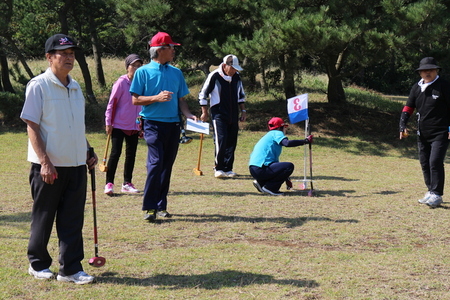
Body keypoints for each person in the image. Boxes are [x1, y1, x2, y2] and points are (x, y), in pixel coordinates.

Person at [20, 34, 97, 284]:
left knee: (72, 219)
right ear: (49, 57)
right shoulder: (38, 85)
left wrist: (87, 149)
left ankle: (71, 269)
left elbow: (76, 126)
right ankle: (38, 264)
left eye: (71, 53)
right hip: (48, 167)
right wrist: (44, 161)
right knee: (44, 216)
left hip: (75, 165)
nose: (68, 58)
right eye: (62, 53)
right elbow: (31, 124)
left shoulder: (75, 87)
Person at [130, 32, 197, 222]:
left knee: (166, 166)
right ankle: (149, 207)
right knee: (156, 163)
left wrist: (189, 115)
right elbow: (135, 99)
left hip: (173, 125)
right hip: (152, 125)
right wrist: (156, 98)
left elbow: (181, 100)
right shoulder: (142, 72)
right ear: (160, 50)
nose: (174, 51)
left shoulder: (177, 73)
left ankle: (161, 206)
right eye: (171, 47)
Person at [399, 57, 450, 208]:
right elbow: (409, 107)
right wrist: (402, 124)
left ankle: (437, 194)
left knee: (435, 161)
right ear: (420, 72)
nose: (427, 72)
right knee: (425, 163)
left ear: (436, 70)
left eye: (431, 69)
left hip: (440, 132)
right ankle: (430, 190)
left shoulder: (444, 86)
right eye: (424, 70)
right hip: (423, 132)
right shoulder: (417, 87)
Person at [198, 54, 247, 178]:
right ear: (225, 66)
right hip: (219, 113)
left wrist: (243, 111)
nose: (234, 71)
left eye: (236, 68)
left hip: (233, 113)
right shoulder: (214, 76)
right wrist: (204, 112)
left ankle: (228, 168)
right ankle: (218, 168)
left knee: (232, 141)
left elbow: (241, 95)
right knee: (221, 139)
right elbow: (203, 95)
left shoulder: (237, 77)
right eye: (233, 68)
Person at [104, 54, 143, 196]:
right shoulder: (121, 83)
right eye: (134, 65)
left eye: (139, 66)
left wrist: (141, 125)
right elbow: (111, 103)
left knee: (131, 155)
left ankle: (127, 183)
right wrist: (108, 122)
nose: (137, 68)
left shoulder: (141, 83)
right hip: (119, 125)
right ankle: (109, 183)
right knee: (115, 154)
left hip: (134, 126)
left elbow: (142, 106)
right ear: (128, 67)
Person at [249, 117, 313, 196]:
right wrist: (305, 141)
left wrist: (286, 178)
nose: (285, 130)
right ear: (281, 127)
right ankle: (270, 188)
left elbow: (277, 168)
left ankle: (261, 183)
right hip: (261, 169)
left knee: (281, 167)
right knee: (289, 166)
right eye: (285, 127)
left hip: (254, 169)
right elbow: (287, 143)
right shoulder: (277, 133)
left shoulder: (268, 135)